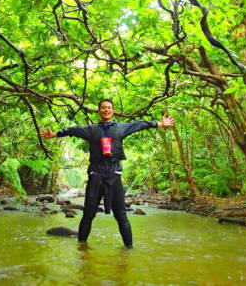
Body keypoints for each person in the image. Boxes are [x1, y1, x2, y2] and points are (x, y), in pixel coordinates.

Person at [40, 99, 174, 249]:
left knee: (121, 215)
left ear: (113, 111)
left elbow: (139, 125)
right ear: (99, 111)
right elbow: (73, 130)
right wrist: (55, 134)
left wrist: (160, 124)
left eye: (109, 108)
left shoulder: (121, 128)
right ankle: (82, 249)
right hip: (96, 175)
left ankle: (128, 250)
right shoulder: (92, 130)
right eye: (103, 108)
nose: (106, 110)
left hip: (114, 175)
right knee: (88, 214)